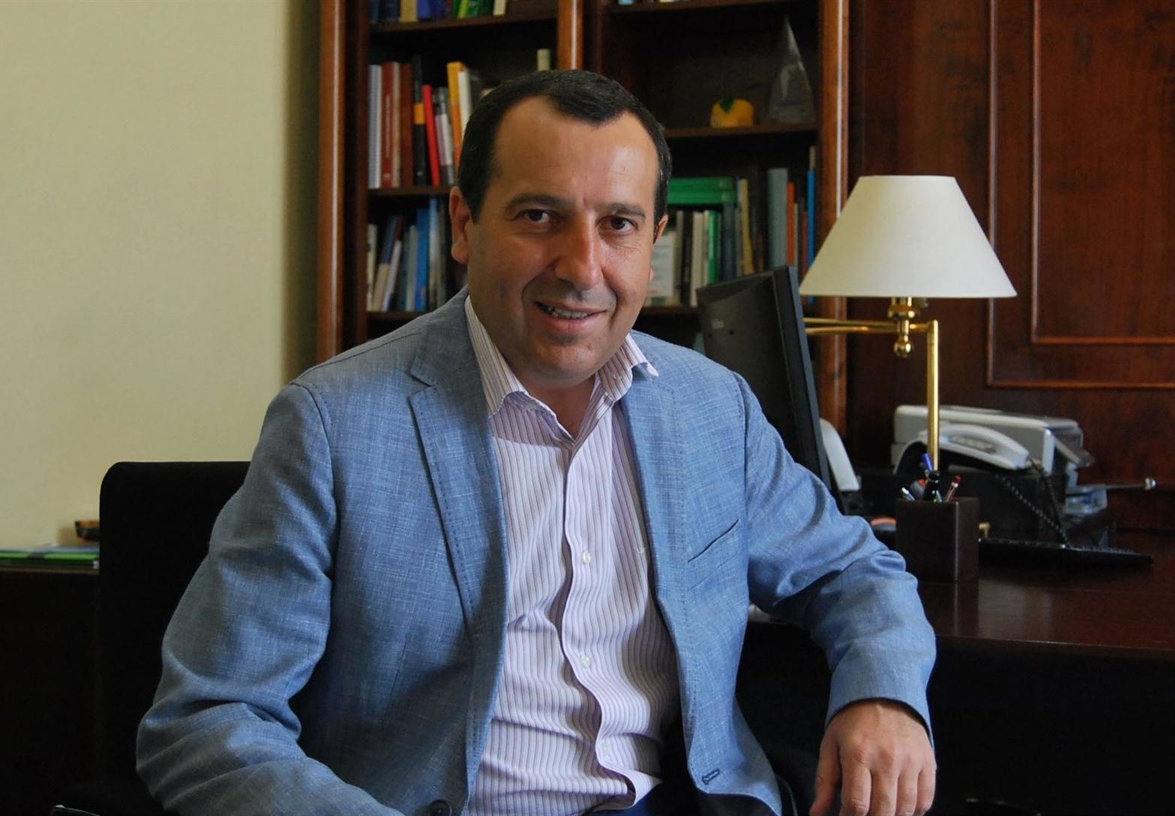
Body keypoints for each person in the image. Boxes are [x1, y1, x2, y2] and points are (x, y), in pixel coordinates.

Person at [138, 69, 935, 816]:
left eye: (617, 224)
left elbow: (853, 569)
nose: (581, 267)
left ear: (654, 238)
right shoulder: (333, 425)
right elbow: (209, 718)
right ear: (464, 225)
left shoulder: (710, 408)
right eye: (538, 217)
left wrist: (884, 695)